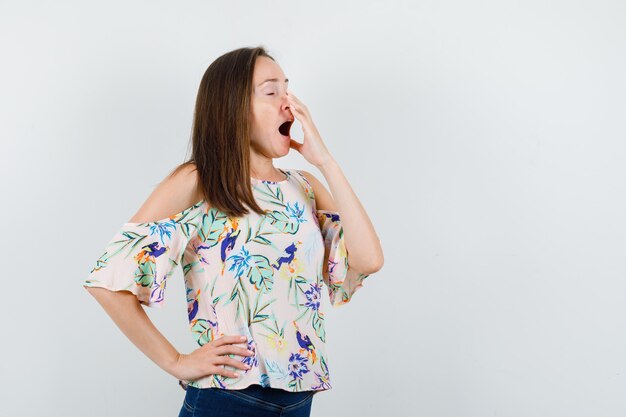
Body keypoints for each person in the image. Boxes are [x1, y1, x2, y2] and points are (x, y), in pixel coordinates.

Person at [82, 46, 384, 417]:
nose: (289, 103)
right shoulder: (200, 181)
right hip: (227, 400)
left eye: (288, 89)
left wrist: (326, 161)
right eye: (272, 91)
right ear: (233, 107)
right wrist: (176, 361)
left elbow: (368, 260)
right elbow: (106, 280)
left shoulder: (305, 186)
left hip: (299, 401)